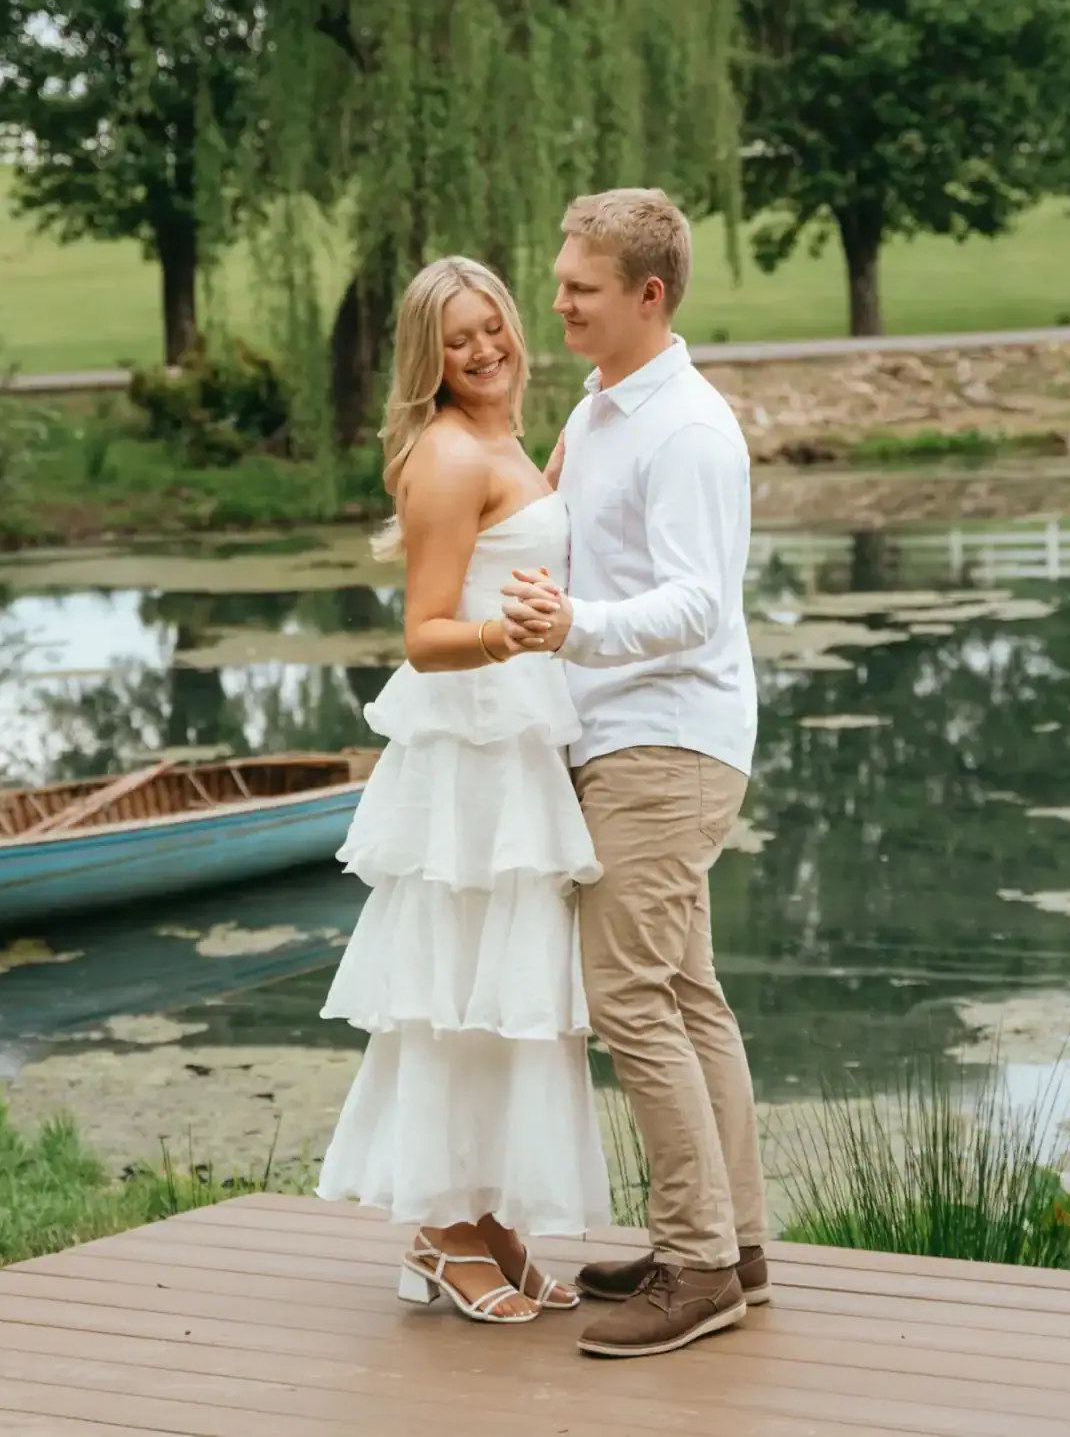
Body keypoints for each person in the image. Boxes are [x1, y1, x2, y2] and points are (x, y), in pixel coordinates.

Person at [314, 254, 610, 1324]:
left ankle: (486, 1219)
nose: (484, 349)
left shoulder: (506, 439)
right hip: (468, 762)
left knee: (507, 992)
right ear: (427, 357)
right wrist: (507, 636)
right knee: (454, 991)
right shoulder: (445, 454)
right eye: (458, 339)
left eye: (493, 327)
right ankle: (439, 1231)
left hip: (517, 748)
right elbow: (424, 634)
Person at [500, 188, 769, 1360]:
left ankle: (696, 1268)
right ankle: (730, 1247)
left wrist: (574, 628)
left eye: (581, 287)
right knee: (686, 996)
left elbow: (698, 603)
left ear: (647, 296)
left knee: (629, 1000)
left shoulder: (688, 431)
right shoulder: (601, 405)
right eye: (561, 280)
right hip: (623, 732)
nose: (557, 302)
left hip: (664, 741)